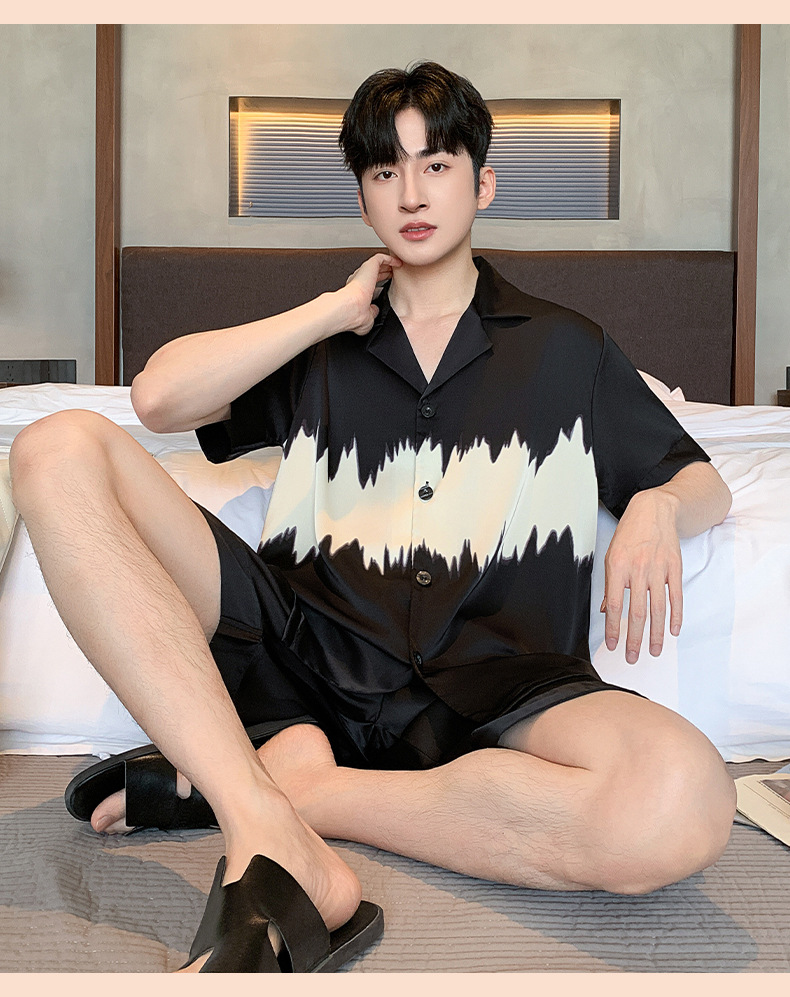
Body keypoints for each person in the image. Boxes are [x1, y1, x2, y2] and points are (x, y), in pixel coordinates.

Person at [9, 61, 735, 973]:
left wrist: (658, 503)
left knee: (680, 801)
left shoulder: (566, 347)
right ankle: (263, 804)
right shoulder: (323, 342)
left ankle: (282, 793)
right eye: (386, 171)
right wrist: (327, 312)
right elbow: (158, 397)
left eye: (437, 165)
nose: (412, 193)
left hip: (495, 676)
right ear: (362, 198)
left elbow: (702, 480)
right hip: (302, 653)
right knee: (56, 446)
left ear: (483, 183)